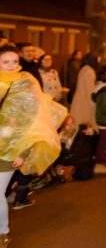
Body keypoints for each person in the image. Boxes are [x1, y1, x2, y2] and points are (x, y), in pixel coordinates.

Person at [0, 44, 66, 246]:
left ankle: (2, 232)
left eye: (15, 61)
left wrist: (24, 152)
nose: (12, 66)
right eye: (6, 62)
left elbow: (36, 120)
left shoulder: (26, 83)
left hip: (12, 148)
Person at [69, 54, 99, 128]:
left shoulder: (83, 68)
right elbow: (90, 91)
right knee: (84, 129)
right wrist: (94, 105)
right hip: (85, 104)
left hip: (78, 102)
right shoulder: (90, 71)